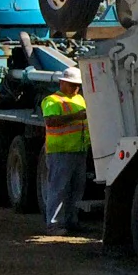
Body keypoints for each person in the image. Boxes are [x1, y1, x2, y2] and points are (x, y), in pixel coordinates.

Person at [41, 67, 89, 233]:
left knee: (76, 189)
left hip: (79, 149)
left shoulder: (80, 99)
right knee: (58, 189)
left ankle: (70, 222)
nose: (75, 88)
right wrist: (77, 116)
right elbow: (51, 121)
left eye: (77, 85)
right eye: (72, 84)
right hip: (60, 151)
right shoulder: (52, 100)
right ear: (62, 83)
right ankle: (54, 224)